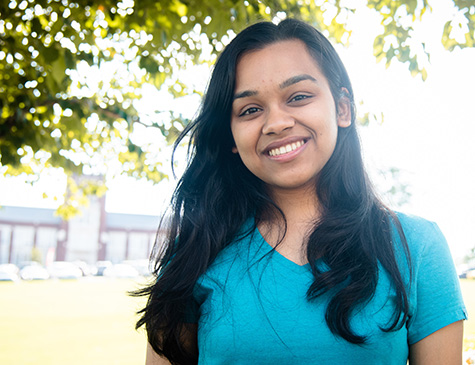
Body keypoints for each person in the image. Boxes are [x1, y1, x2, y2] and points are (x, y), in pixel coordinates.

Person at [135, 18, 467, 364]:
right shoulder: (194, 250)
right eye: (250, 110)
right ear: (230, 138)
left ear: (342, 108)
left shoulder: (416, 246)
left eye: (298, 96)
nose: (276, 123)